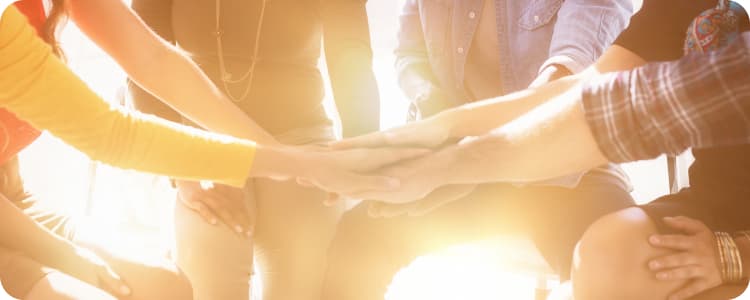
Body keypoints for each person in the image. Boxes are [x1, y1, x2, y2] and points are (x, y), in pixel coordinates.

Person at [0, 2, 421, 299]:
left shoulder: (25, 27)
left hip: (298, 139)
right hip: (189, 149)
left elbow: (147, 73)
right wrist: (186, 180)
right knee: (196, 273)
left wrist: (319, 163)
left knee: (182, 286)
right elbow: (123, 115)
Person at [336, 1, 750, 299]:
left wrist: (738, 255)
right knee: (361, 234)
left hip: (569, 173)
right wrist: (439, 141)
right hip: (494, 159)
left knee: (626, 260)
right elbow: (590, 93)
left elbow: (566, 92)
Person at [320, 0, 634, 299]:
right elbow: (410, 55)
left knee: (624, 268)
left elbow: (565, 84)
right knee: (360, 238)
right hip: (466, 166)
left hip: (567, 172)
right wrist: (434, 106)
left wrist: (465, 145)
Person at [128, 0, 380, 298]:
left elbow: (352, 58)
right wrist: (182, 172)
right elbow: (141, 63)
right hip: (203, 145)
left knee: (301, 284)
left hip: (300, 141)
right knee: (208, 278)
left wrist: (358, 154)